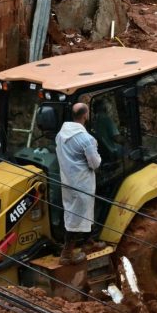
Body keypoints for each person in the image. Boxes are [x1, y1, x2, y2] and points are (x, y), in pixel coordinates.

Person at [55, 102, 102, 265]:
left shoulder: (61, 134)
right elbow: (95, 163)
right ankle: (66, 255)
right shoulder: (86, 139)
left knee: (77, 212)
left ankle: (89, 242)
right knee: (76, 217)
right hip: (82, 184)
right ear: (85, 115)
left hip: (68, 181)